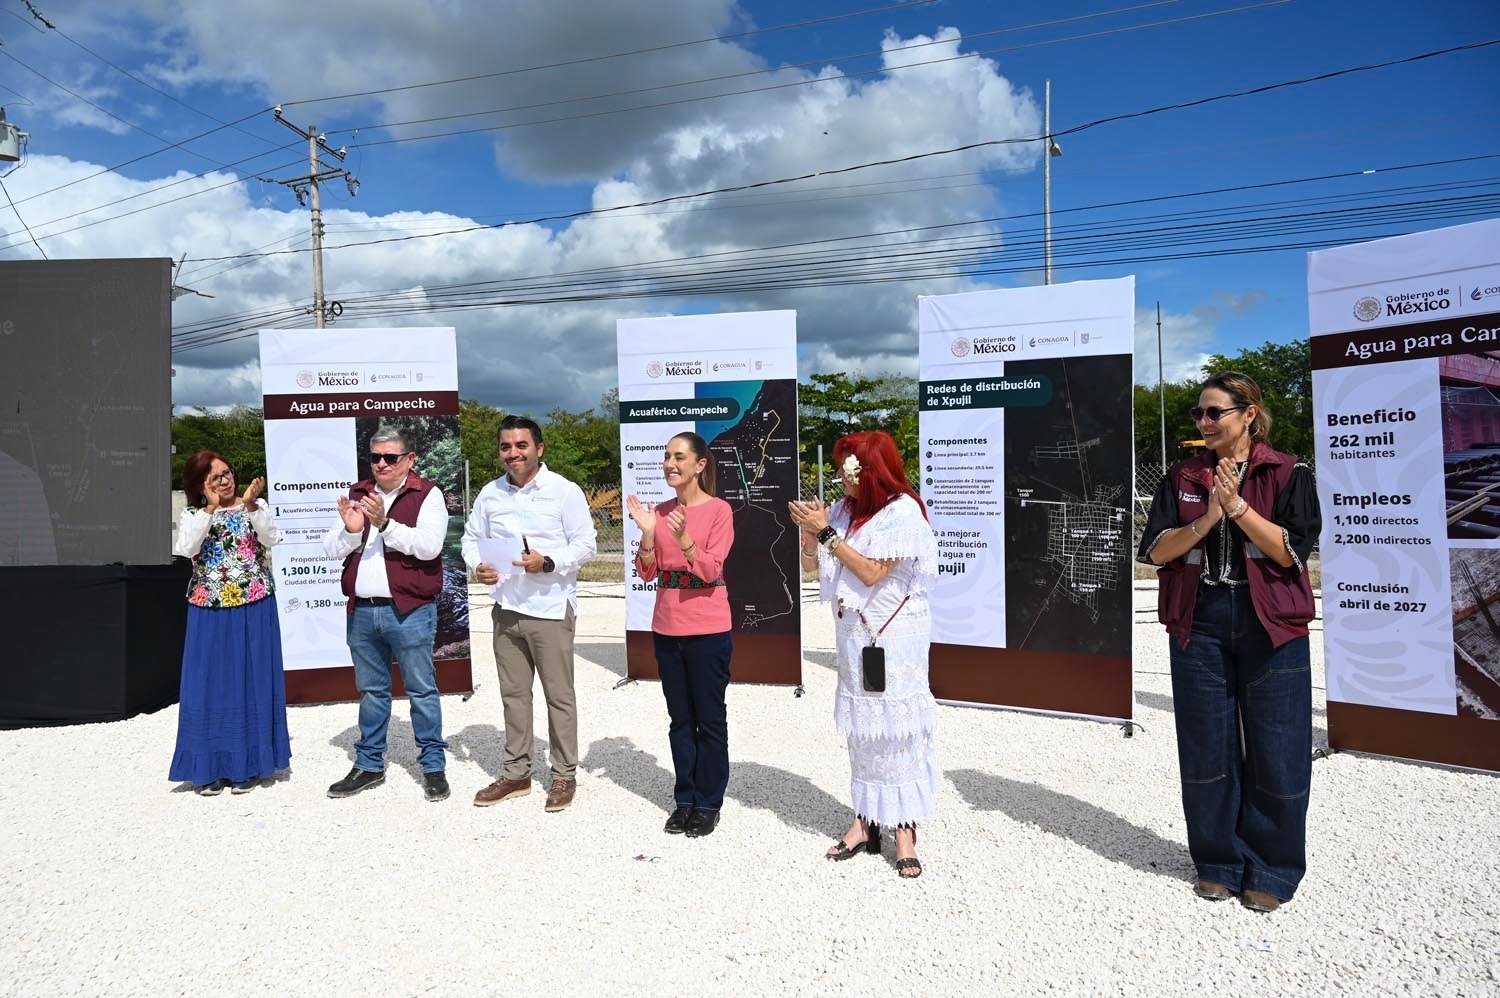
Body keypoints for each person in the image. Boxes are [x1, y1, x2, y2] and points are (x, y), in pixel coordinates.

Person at [1138, 371, 1320, 914]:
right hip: (1200, 620)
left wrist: (1237, 508)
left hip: (1272, 623)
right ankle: (1217, 862)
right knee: (1206, 745)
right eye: (1198, 412)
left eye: (1214, 411)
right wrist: (1209, 516)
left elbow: (1291, 551)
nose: (1204, 421)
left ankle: (1272, 867)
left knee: (1278, 749)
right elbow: (1155, 551)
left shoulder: (1288, 471)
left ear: (1249, 415)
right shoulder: (1182, 476)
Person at [789, 431, 939, 879]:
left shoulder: (902, 512)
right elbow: (812, 566)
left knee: (898, 729)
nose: (841, 476)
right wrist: (809, 533)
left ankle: (905, 828)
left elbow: (872, 572)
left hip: (895, 636)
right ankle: (866, 819)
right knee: (863, 730)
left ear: (871, 472)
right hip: (855, 635)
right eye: (840, 469)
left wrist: (826, 533)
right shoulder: (842, 512)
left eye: (848, 469)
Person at [463, 415, 597, 812]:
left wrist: (549, 562)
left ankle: (563, 774)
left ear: (539, 448)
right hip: (506, 609)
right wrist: (478, 565)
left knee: (559, 697)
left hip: (550, 609)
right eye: (506, 446)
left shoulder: (564, 491)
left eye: (521, 445)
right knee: (514, 696)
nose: (513, 453)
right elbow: (471, 538)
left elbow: (586, 544)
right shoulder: (490, 494)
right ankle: (516, 773)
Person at [323, 427, 451, 802]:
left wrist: (385, 525)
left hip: (409, 611)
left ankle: (433, 766)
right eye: (375, 457)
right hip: (363, 611)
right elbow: (331, 549)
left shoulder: (428, 494)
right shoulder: (359, 493)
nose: (381, 464)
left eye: (390, 457)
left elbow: (429, 547)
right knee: (372, 692)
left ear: (410, 460)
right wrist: (351, 533)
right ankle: (369, 765)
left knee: (421, 691)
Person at [627, 432, 736, 838]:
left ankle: (708, 802)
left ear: (699, 465)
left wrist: (685, 539)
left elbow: (710, 570)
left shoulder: (719, 511)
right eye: (666, 457)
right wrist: (648, 535)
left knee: (709, 718)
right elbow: (646, 572)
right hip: (666, 627)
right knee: (680, 719)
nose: (670, 464)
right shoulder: (659, 512)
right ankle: (684, 799)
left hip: (708, 629)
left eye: (679, 457)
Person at [169, 451, 290, 795]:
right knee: (208, 684)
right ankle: (208, 765)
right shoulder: (193, 515)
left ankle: (249, 763)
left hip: (253, 605)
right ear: (200, 486)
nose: (225, 481)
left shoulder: (255, 506)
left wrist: (250, 505)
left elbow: (272, 538)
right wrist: (209, 509)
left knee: (251, 681)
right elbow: (186, 547)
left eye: (227, 473)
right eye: (215, 478)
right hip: (209, 608)